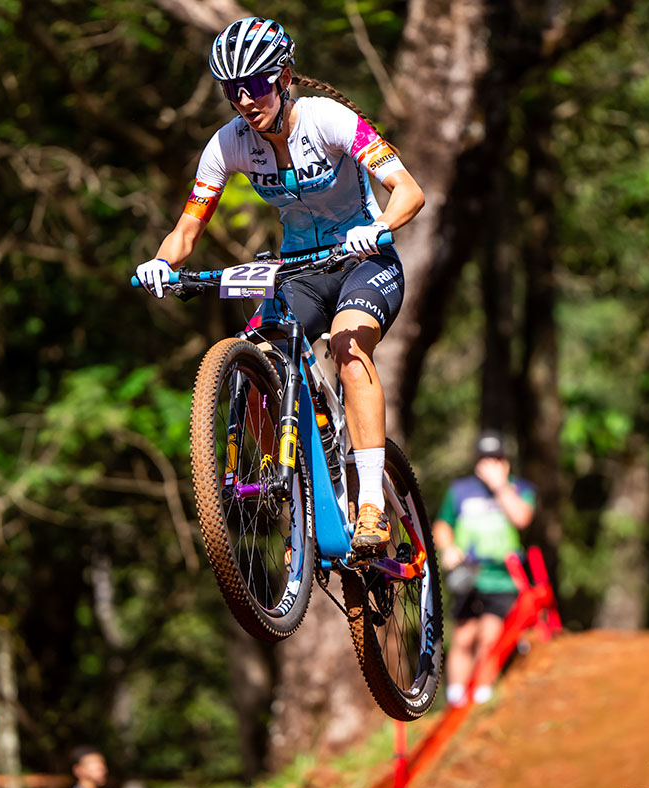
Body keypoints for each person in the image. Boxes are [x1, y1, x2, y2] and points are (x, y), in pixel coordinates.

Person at [134, 18, 425, 553]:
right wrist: (160, 262)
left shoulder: (328, 119)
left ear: (285, 76)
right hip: (298, 271)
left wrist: (378, 226)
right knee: (261, 354)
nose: (246, 99)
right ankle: (291, 490)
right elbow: (188, 227)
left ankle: (371, 508)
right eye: (232, 90)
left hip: (363, 260)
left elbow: (408, 189)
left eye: (259, 84)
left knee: (348, 346)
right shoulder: (228, 145)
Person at [433, 431, 536, 706]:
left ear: (506, 461)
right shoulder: (460, 491)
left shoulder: (520, 489)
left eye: (496, 458)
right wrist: (448, 548)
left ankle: (482, 691)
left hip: (502, 578)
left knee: (490, 635)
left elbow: (522, 517)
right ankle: (456, 698)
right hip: (468, 576)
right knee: (464, 636)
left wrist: (501, 487)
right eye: (485, 459)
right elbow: (442, 525)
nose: (490, 464)